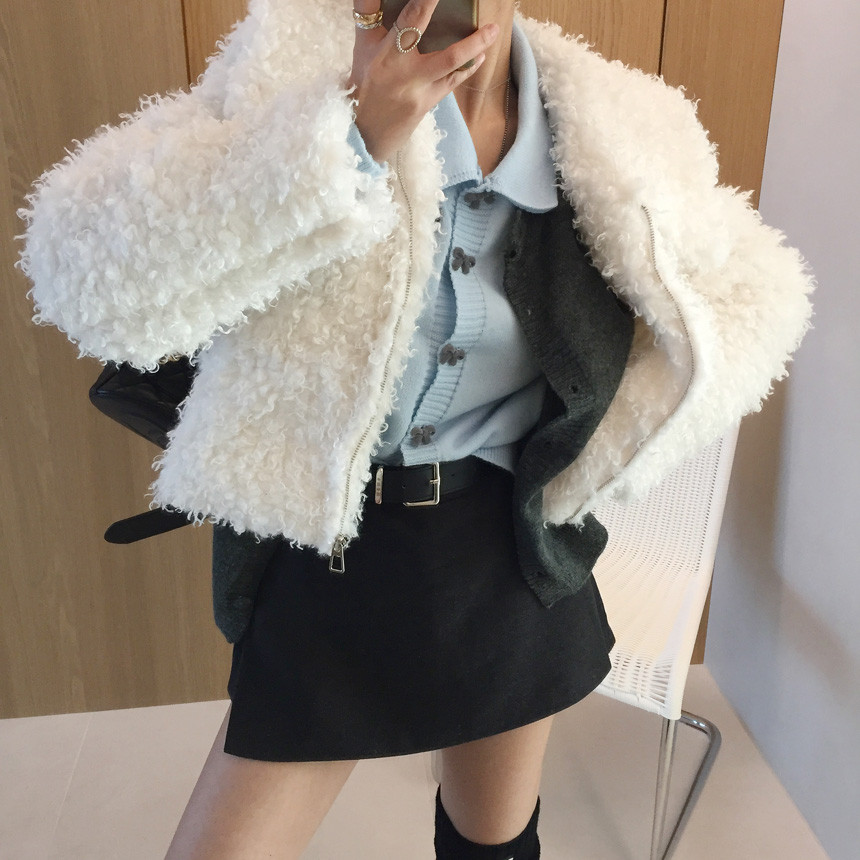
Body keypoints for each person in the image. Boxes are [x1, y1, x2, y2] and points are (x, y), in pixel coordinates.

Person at [15, 0, 813, 857]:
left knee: (493, 844)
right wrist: (343, 143)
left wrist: (605, 459)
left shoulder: (618, 127)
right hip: (332, 555)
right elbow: (81, 270)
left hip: (506, 551)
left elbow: (752, 301)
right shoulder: (287, 72)